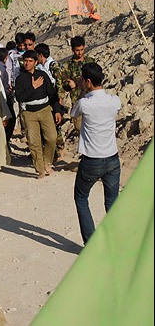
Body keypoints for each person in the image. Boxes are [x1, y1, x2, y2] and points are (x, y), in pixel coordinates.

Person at [71, 62, 121, 245]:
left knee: (81, 198)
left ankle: (91, 243)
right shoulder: (115, 101)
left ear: (88, 82)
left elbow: (73, 113)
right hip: (113, 158)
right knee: (112, 202)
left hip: (91, 160)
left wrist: (81, 91)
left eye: (83, 81)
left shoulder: (84, 103)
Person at [15, 50, 62, 179]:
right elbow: (20, 97)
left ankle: (47, 162)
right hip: (29, 112)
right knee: (34, 142)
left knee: (52, 137)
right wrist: (33, 87)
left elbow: (52, 94)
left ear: (36, 62)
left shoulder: (42, 75)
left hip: (45, 110)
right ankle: (40, 169)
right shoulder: (20, 79)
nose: (27, 63)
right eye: (25, 61)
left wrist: (57, 110)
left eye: (30, 61)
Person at [57, 35, 96, 132]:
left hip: (92, 99)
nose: (80, 53)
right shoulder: (68, 66)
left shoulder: (90, 61)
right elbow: (64, 85)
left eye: (82, 49)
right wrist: (70, 86)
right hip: (78, 102)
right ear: (72, 50)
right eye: (77, 50)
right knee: (80, 128)